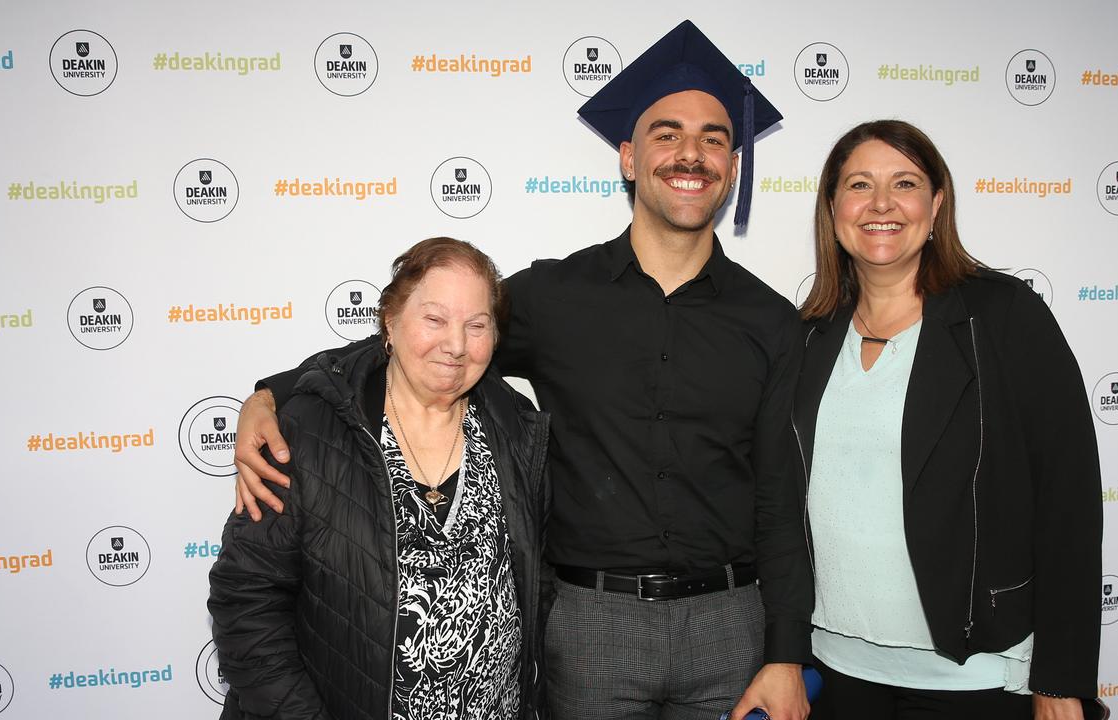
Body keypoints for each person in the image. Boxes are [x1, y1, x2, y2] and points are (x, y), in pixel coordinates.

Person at [230, 20, 813, 720]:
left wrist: (785, 653)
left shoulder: (771, 321)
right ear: (628, 158)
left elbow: (782, 498)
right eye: (667, 134)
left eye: (714, 138)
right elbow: (432, 344)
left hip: (729, 627)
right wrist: (278, 391)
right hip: (593, 629)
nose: (691, 153)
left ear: (733, 166)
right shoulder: (552, 297)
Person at [794, 120, 1104, 719]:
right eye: (859, 184)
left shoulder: (1005, 317)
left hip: (975, 680)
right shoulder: (808, 335)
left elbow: (1068, 505)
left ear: (936, 205)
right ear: (832, 208)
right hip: (836, 675)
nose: (881, 204)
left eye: (904, 183)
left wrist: (1061, 681)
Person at [208, 238, 551, 719]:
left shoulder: (516, 430)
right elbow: (246, 600)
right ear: (390, 322)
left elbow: (539, 588)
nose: (455, 345)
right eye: (434, 320)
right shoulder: (306, 433)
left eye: (477, 325)